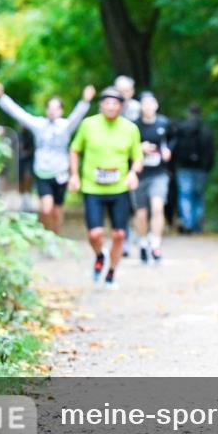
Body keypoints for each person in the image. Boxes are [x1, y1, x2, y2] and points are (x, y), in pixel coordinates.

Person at [0, 82, 96, 233]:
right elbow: (18, 113)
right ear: (46, 109)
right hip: (42, 172)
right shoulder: (38, 124)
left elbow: (77, 116)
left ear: (61, 110)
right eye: (50, 108)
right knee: (46, 209)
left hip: (60, 173)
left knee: (57, 209)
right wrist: (1, 97)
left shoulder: (65, 126)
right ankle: (46, 234)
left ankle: (56, 236)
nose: (53, 111)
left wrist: (85, 101)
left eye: (56, 108)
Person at [68, 86, 144, 290]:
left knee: (119, 234)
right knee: (95, 234)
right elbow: (75, 150)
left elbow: (137, 157)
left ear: (121, 106)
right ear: (100, 105)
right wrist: (74, 175)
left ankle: (111, 272)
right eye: (107, 103)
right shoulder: (88, 125)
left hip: (119, 189)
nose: (111, 107)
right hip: (93, 188)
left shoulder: (130, 128)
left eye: (115, 103)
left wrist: (133, 173)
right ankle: (100, 255)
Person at [132, 92, 172, 264]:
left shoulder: (164, 123)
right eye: (145, 104)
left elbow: (173, 140)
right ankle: (142, 244)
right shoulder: (134, 126)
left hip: (159, 174)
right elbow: (126, 147)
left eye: (151, 103)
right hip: (139, 174)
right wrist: (139, 148)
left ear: (156, 105)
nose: (148, 107)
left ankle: (155, 244)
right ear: (140, 106)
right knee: (141, 214)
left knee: (157, 208)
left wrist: (168, 150)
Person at [172, 105, 215, 234]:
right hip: (201, 168)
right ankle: (197, 225)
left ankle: (187, 223)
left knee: (185, 195)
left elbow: (175, 148)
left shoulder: (181, 129)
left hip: (183, 167)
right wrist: (208, 166)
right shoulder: (206, 130)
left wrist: (174, 166)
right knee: (198, 195)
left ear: (188, 113)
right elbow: (211, 151)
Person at [114, 74, 140, 257]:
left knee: (137, 201)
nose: (123, 94)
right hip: (115, 161)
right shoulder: (110, 109)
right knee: (121, 201)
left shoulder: (138, 109)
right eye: (120, 90)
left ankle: (140, 234)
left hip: (136, 160)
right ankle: (123, 238)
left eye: (126, 90)